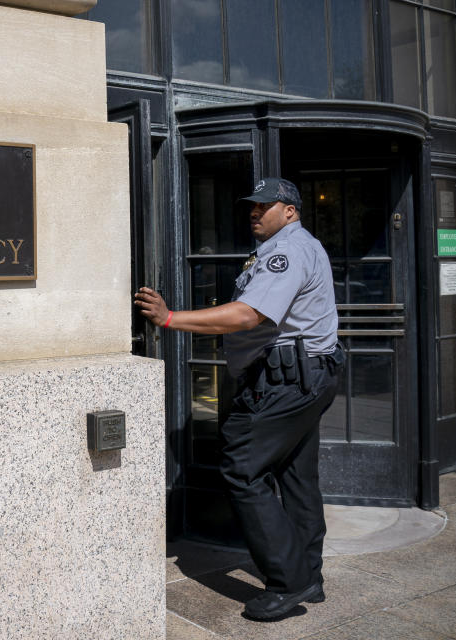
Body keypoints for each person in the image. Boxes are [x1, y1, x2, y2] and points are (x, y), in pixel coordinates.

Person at [135, 177, 343, 621]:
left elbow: (248, 315)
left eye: (265, 206)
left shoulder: (288, 252)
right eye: (251, 206)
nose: (254, 212)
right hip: (304, 377)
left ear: (290, 210)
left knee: (242, 469)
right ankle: (310, 575)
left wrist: (170, 317)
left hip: (286, 381)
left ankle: (289, 582)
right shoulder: (287, 249)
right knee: (295, 476)